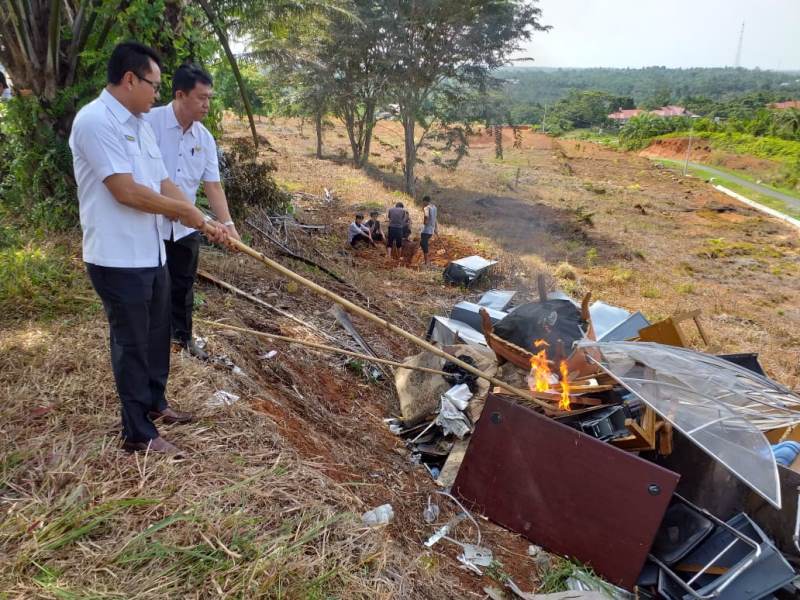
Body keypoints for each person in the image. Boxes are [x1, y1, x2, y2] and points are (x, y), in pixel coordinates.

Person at [69, 41, 228, 456]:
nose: (157, 93)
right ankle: (137, 432)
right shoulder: (95, 121)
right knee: (132, 343)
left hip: (150, 252)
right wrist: (184, 211)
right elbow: (125, 191)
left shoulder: (139, 123)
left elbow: (162, 183)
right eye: (153, 85)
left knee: (158, 335)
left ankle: (156, 404)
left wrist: (204, 220)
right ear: (129, 80)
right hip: (116, 257)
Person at [144, 63, 239, 360]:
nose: (207, 104)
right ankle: (149, 340)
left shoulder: (204, 139)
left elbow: (213, 186)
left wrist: (228, 224)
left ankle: (182, 339)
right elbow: (140, 175)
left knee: (183, 285)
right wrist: (168, 204)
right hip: (149, 223)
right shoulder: (149, 123)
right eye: (201, 98)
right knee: (151, 284)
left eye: (209, 98)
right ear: (180, 95)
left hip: (186, 227)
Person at [420, 195, 439, 265]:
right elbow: (435, 219)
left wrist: (425, 222)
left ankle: (426, 262)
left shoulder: (426, 208)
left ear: (425, 201)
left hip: (426, 229)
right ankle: (426, 260)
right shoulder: (434, 207)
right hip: (431, 230)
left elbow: (426, 216)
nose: (423, 204)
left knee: (423, 244)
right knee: (424, 244)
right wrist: (436, 229)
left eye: (423, 202)